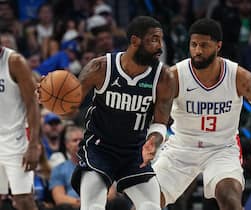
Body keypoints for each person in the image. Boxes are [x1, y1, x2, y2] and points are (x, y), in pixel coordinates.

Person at [153, 18, 251, 210]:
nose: (197, 51)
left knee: (230, 199)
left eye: (204, 45)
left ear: (218, 46)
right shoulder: (174, 77)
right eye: (194, 45)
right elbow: (153, 115)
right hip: (181, 148)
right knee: (147, 203)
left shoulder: (241, 78)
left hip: (222, 149)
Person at [38, 16, 174, 210]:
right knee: (92, 207)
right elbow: (70, 109)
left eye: (160, 39)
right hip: (99, 149)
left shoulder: (164, 77)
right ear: (135, 41)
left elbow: (160, 123)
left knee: (152, 207)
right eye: (154, 39)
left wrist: (153, 141)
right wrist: (49, 99)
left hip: (134, 151)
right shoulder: (100, 67)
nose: (160, 46)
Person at [0, 46, 41, 210]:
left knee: (23, 200)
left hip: (15, 140)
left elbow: (32, 105)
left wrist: (33, 145)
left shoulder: (14, 62)